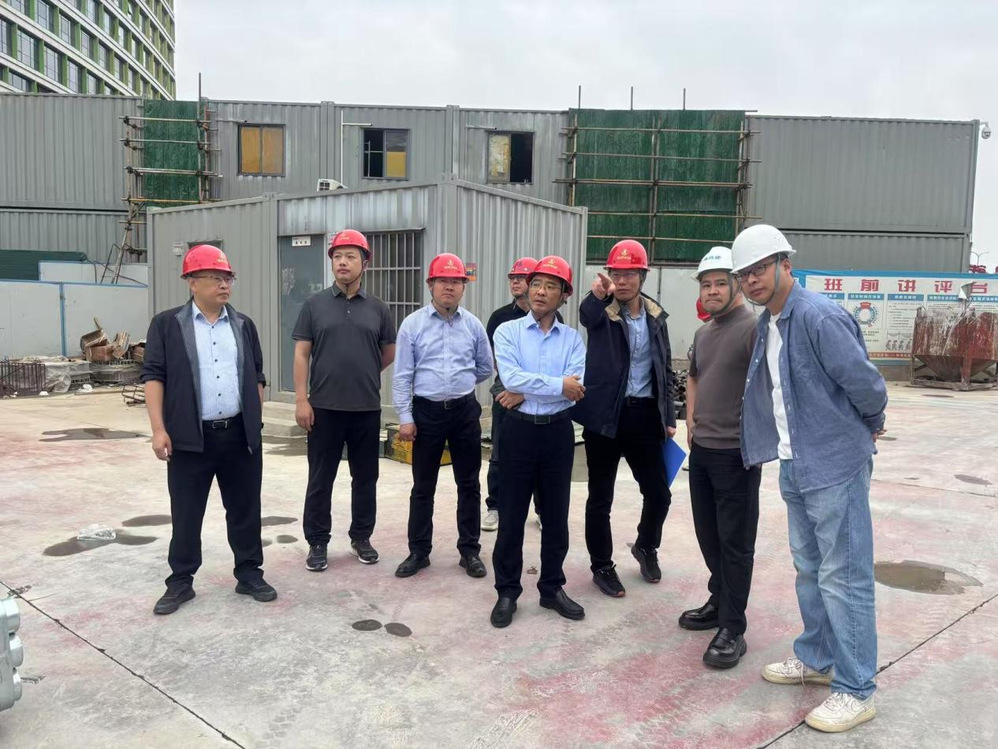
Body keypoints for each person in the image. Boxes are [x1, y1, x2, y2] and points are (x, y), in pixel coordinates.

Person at [734, 224, 887, 733]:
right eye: (744, 274)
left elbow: (866, 384)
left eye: (759, 269)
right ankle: (818, 658)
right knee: (810, 568)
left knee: (845, 576)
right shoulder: (769, 323)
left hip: (835, 464)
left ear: (785, 264)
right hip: (794, 460)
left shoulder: (819, 316)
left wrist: (870, 424)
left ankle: (856, 688)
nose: (751, 280)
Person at [141, 244, 275, 615]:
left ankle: (249, 573)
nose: (224, 284)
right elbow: (153, 376)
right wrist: (158, 429)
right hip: (189, 438)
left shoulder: (243, 325)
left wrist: (254, 420)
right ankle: (180, 581)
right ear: (192, 282)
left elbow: (257, 375)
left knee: (245, 509)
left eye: (227, 277)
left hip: (239, 435)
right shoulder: (168, 324)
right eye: (215, 277)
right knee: (186, 512)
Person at [572, 239, 676, 598]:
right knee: (600, 497)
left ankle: (646, 546)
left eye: (630, 273)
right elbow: (586, 315)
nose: (622, 280)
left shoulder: (656, 317)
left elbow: (664, 368)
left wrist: (668, 415)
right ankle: (601, 565)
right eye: (616, 273)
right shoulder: (602, 312)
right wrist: (597, 295)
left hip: (645, 416)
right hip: (605, 417)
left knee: (659, 493)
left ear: (642, 276)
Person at [490, 255, 587, 628]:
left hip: (558, 433)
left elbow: (577, 390)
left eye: (551, 286)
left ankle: (551, 588)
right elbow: (512, 378)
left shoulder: (573, 339)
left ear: (564, 295)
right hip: (518, 432)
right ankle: (507, 591)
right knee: (511, 515)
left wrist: (531, 389)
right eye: (536, 284)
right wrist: (557, 385)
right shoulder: (508, 332)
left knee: (556, 516)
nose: (541, 292)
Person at [293, 229, 396, 572]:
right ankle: (317, 541)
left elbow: (388, 352)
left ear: (365, 263)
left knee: (365, 479)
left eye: (351, 256)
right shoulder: (314, 305)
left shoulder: (378, 309)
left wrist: (363, 370)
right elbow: (301, 353)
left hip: (365, 409)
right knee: (320, 479)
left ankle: (361, 537)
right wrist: (301, 400)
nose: (342, 262)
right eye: (337, 256)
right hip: (323, 409)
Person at [392, 253, 493, 579]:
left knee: (469, 484)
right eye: (442, 281)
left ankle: (470, 551)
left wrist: (459, 383)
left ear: (464, 286)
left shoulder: (473, 325)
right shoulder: (413, 325)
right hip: (427, 414)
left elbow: (485, 367)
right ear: (430, 285)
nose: (449, 287)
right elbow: (402, 375)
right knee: (423, 486)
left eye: (455, 281)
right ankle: (419, 552)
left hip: (464, 411)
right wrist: (406, 416)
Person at [682, 246, 760, 669]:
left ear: (736, 285)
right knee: (708, 535)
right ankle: (719, 600)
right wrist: (692, 422)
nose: (711, 291)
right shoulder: (704, 333)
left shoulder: (754, 329)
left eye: (719, 283)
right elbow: (694, 378)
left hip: (736, 454)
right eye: (706, 285)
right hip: (703, 450)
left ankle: (733, 627)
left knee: (735, 543)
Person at [482, 257, 560, 532]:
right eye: (512, 277)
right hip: (505, 394)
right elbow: (495, 360)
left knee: (539, 456)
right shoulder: (500, 318)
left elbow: (554, 367)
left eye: (520, 277)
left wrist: (526, 392)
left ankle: (541, 509)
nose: (515, 282)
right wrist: (516, 386)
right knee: (499, 453)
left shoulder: (553, 317)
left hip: (538, 400)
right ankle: (495, 506)